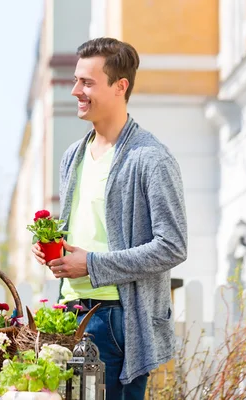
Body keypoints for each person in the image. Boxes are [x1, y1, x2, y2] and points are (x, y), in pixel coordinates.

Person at [32, 37, 187, 399]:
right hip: (68, 315)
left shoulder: (150, 158)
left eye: (87, 82)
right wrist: (51, 247)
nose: (75, 91)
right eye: (75, 81)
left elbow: (172, 246)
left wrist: (92, 264)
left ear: (121, 87)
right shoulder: (74, 155)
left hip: (118, 320)